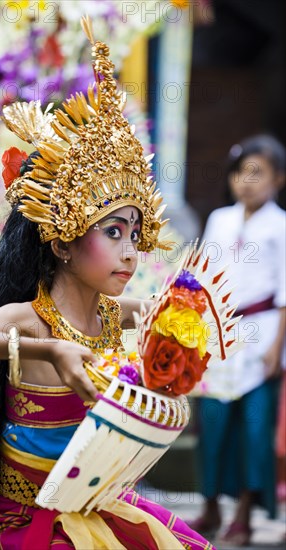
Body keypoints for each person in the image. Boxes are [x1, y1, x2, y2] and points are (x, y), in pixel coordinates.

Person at [0, 18, 214, 550]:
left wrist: (185, 321)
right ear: (61, 244)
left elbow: (161, 311)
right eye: (112, 232)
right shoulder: (30, 317)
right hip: (26, 521)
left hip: (94, 504)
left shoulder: (113, 312)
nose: (130, 250)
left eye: (134, 232)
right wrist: (50, 348)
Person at [191, 135, 286, 546]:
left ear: (278, 179)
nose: (246, 182)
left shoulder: (281, 226)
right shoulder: (219, 220)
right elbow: (203, 279)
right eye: (240, 173)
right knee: (212, 424)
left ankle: (245, 512)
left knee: (253, 427)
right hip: (217, 335)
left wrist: (276, 348)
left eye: (257, 173)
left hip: (262, 334)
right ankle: (210, 505)